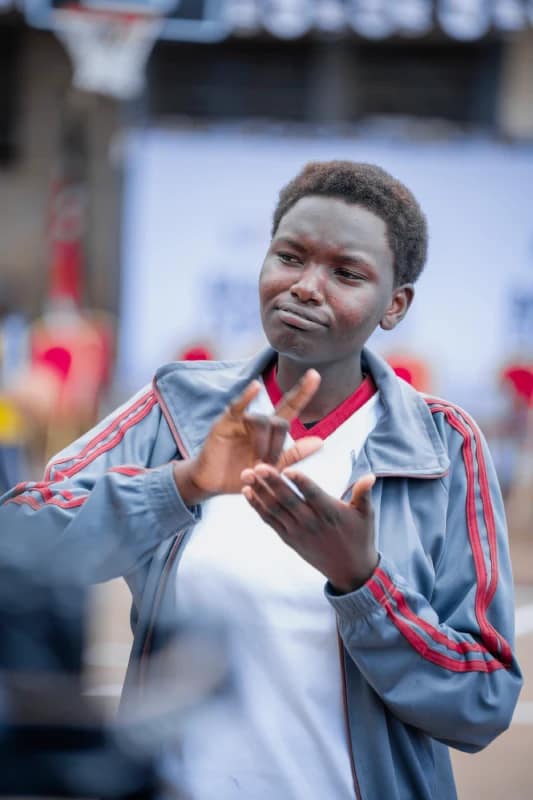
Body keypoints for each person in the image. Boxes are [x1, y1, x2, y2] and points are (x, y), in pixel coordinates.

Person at [0, 161, 522, 799]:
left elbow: (484, 700)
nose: (305, 287)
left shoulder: (443, 445)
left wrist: (364, 584)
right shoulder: (178, 407)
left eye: (347, 272)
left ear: (396, 305)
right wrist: (182, 484)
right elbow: (15, 546)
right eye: (290, 256)